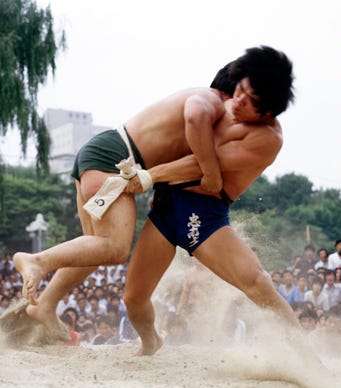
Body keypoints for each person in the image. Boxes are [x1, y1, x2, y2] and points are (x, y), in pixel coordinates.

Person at [11, 46, 292, 336]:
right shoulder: (209, 99)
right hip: (117, 162)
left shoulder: (254, 131)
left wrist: (160, 175)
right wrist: (205, 172)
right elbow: (196, 120)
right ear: (228, 90)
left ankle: (45, 305)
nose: (236, 107)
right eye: (238, 94)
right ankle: (36, 260)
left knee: (93, 248)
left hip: (106, 158)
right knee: (115, 246)